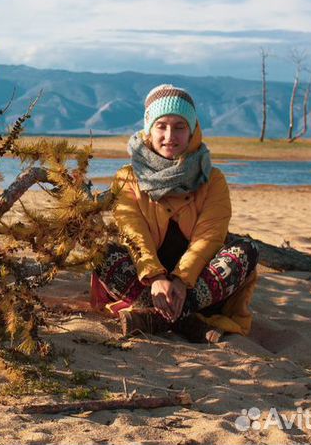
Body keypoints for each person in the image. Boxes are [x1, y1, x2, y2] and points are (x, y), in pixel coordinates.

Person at [90, 84, 259, 343]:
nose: (170, 135)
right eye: (162, 126)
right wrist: (156, 277)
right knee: (99, 250)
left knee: (245, 250)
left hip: (197, 288)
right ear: (149, 128)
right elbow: (132, 231)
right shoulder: (128, 177)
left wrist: (182, 280)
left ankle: (159, 317)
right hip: (146, 283)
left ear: (192, 130)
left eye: (179, 126)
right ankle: (184, 322)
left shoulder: (212, 179)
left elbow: (209, 236)